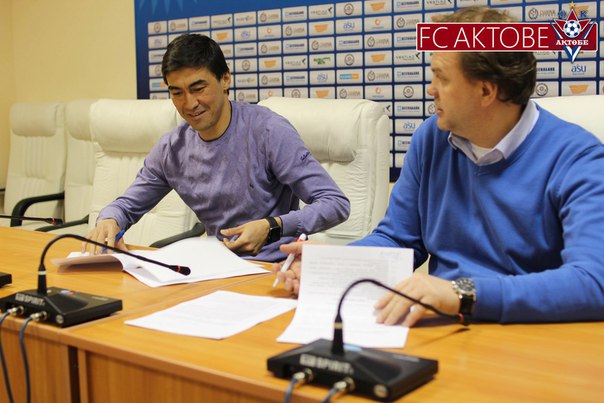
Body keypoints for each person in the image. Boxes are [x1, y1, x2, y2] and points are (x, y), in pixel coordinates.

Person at [273, 6, 604, 326]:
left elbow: (594, 281)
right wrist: (334, 264)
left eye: (441, 78)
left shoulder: (577, 157)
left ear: (486, 91)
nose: (431, 89)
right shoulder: (432, 138)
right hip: (441, 326)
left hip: (528, 335)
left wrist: (462, 294)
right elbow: (399, 239)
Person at [86, 34, 350, 262]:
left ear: (225, 79)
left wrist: (272, 227)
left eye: (198, 89)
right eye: (177, 93)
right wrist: (109, 220)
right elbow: (125, 206)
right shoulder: (171, 149)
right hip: (214, 269)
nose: (189, 104)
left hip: (274, 269)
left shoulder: (269, 131)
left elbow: (335, 203)